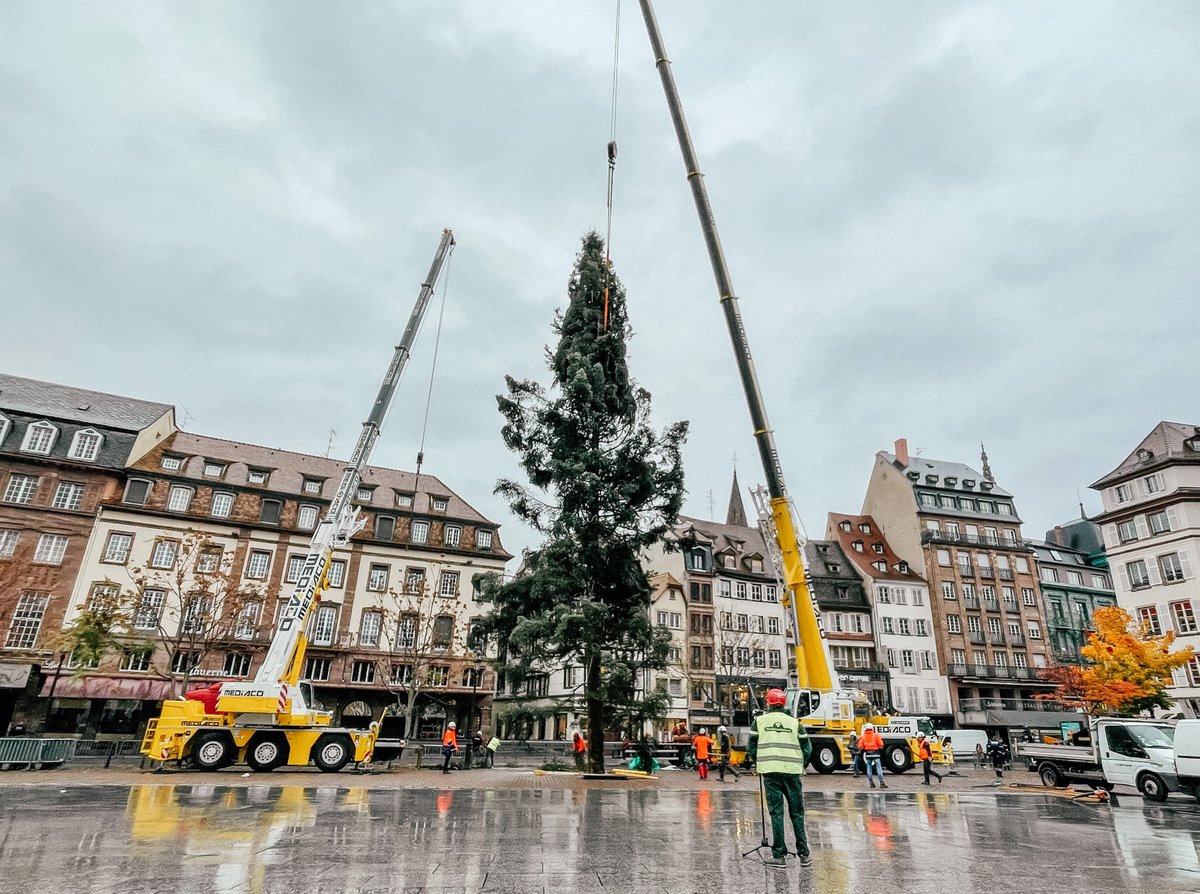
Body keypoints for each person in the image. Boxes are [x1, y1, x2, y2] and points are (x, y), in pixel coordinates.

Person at [748, 688, 813, 869]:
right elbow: (807, 748)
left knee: (776, 813)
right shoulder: (794, 723)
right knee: (797, 813)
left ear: (768, 703)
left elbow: (751, 748)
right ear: (783, 703)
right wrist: (800, 764)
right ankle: (804, 854)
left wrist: (758, 763)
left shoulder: (759, 722)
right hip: (792, 773)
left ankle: (779, 855)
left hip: (770, 773)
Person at [859, 723, 887, 789]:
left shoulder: (863, 736)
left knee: (869, 768)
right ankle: (882, 783)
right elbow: (881, 744)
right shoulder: (876, 735)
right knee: (879, 768)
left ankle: (871, 783)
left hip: (868, 754)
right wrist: (880, 747)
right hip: (876, 754)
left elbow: (860, 746)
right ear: (872, 728)